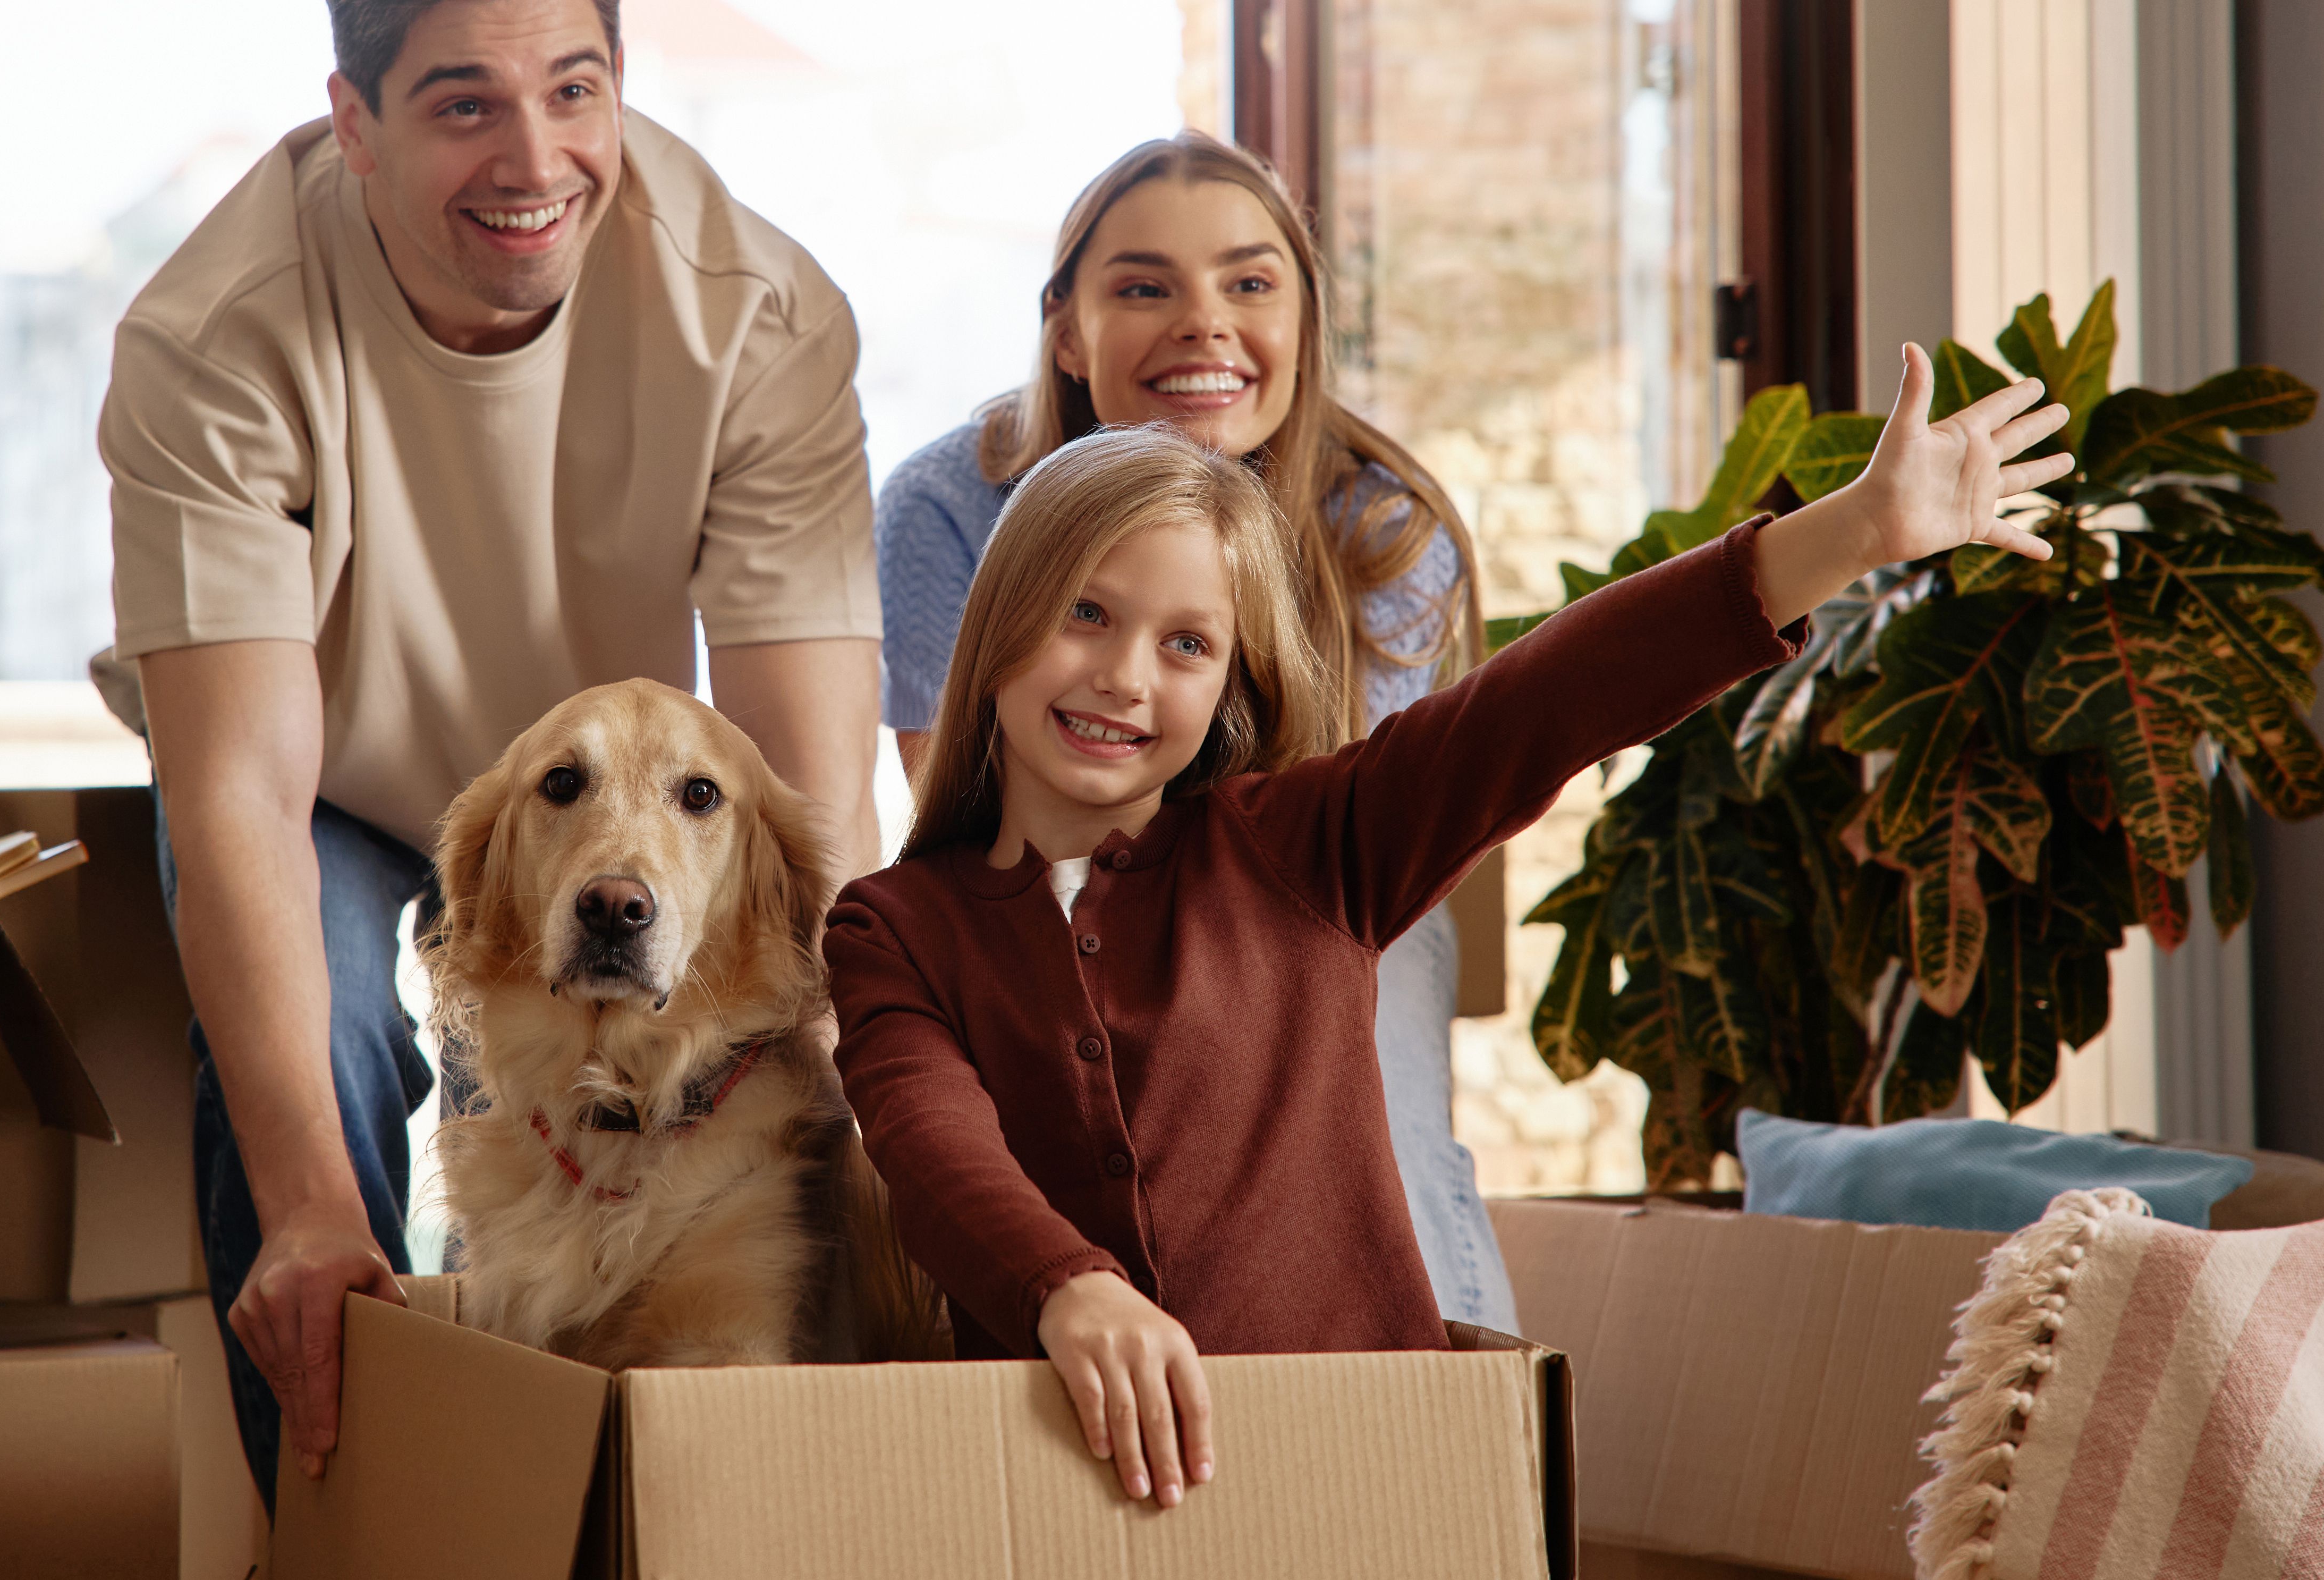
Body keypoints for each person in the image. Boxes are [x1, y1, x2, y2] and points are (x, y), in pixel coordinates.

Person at [829, 356, 2073, 1512]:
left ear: (1228, 692)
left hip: (1372, 1477)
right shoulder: (893, 926)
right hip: (1059, 1499)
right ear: (996, 621)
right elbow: (932, 1145)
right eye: (1085, 615)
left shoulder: (1309, 847)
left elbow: (1550, 697)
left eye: (1187, 644)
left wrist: (1855, 530)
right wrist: (1071, 1289)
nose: (1125, 677)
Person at [95, 0, 883, 1508]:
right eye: (461, 104)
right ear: (352, 118)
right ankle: (342, 1515)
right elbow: (233, 782)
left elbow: (805, 802)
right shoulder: (211, 338)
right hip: (326, 770)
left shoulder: (760, 317)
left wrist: (887, 1110)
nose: (534, 160)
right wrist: (310, 1201)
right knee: (324, 1099)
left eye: (572, 89)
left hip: (609, 806)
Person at [872, 134, 1514, 1328]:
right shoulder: (946, 506)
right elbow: (979, 827)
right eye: (1143, 287)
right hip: (1048, 889)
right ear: (1066, 329)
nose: (1204, 323)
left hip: (1294, 910)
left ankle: (1457, 1405)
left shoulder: (1383, 528)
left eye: (1249, 283)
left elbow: (1337, 854)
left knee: (1378, 1037)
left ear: (1305, 322)